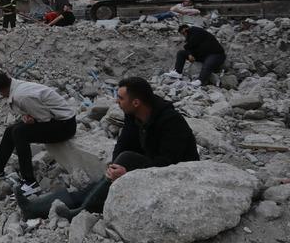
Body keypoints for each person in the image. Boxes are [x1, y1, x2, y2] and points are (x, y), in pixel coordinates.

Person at [17, 77, 199, 220]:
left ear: (136, 102)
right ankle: (34, 209)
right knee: (101, 181)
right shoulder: (134, 114)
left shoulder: (171, 123)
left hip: (177, 177)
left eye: (120, 98)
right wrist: (115, 166)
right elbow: (124, 142)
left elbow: (168, 164)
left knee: (124, 162)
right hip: (153, 166)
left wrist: (127, 171)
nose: (116, 101)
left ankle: (81, 211)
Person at [0, 72, 76, 197]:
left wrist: (31, 120)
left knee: (19, 133)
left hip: (65, 126)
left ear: (1, 90)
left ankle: (30, 182)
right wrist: (29, 118)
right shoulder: (16, 85)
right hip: (58, 121)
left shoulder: (22, 96)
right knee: (10, 130)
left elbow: (44, 118)